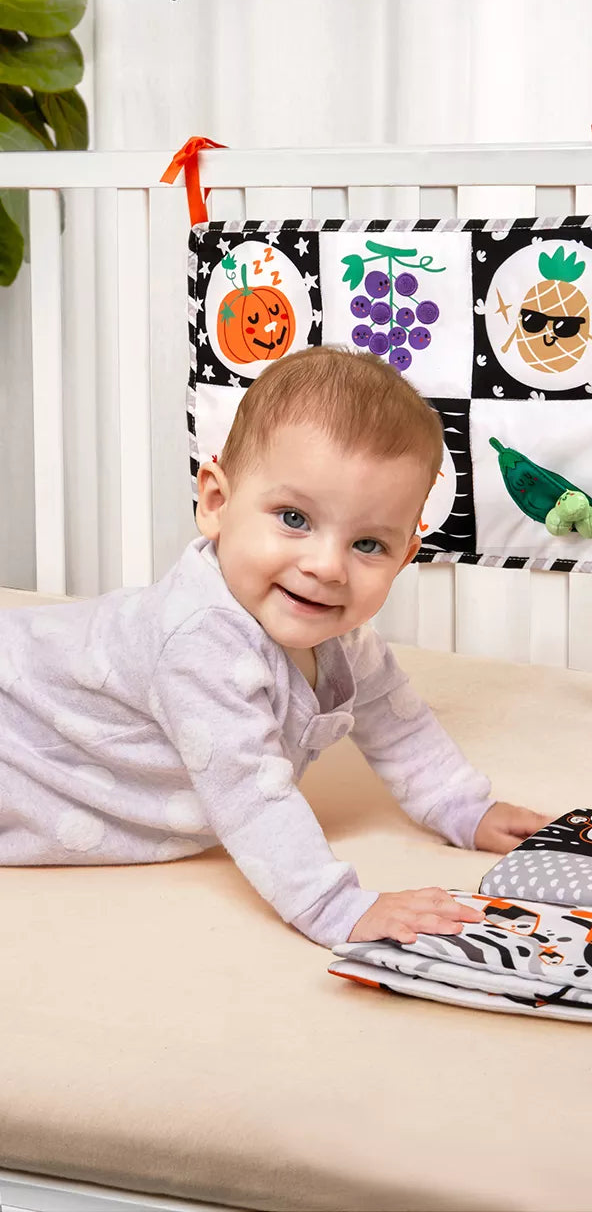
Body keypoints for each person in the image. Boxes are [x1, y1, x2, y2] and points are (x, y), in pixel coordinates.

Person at [0, 347, 550, 947]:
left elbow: (398, 723)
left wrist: (463, 809)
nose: (327, 566)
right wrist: (339, 908)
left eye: (369, 545)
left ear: (404, 557)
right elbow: (251, 795)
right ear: (216, 503)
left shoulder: (342, 635)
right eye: (294, 518)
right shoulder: (199, 639)